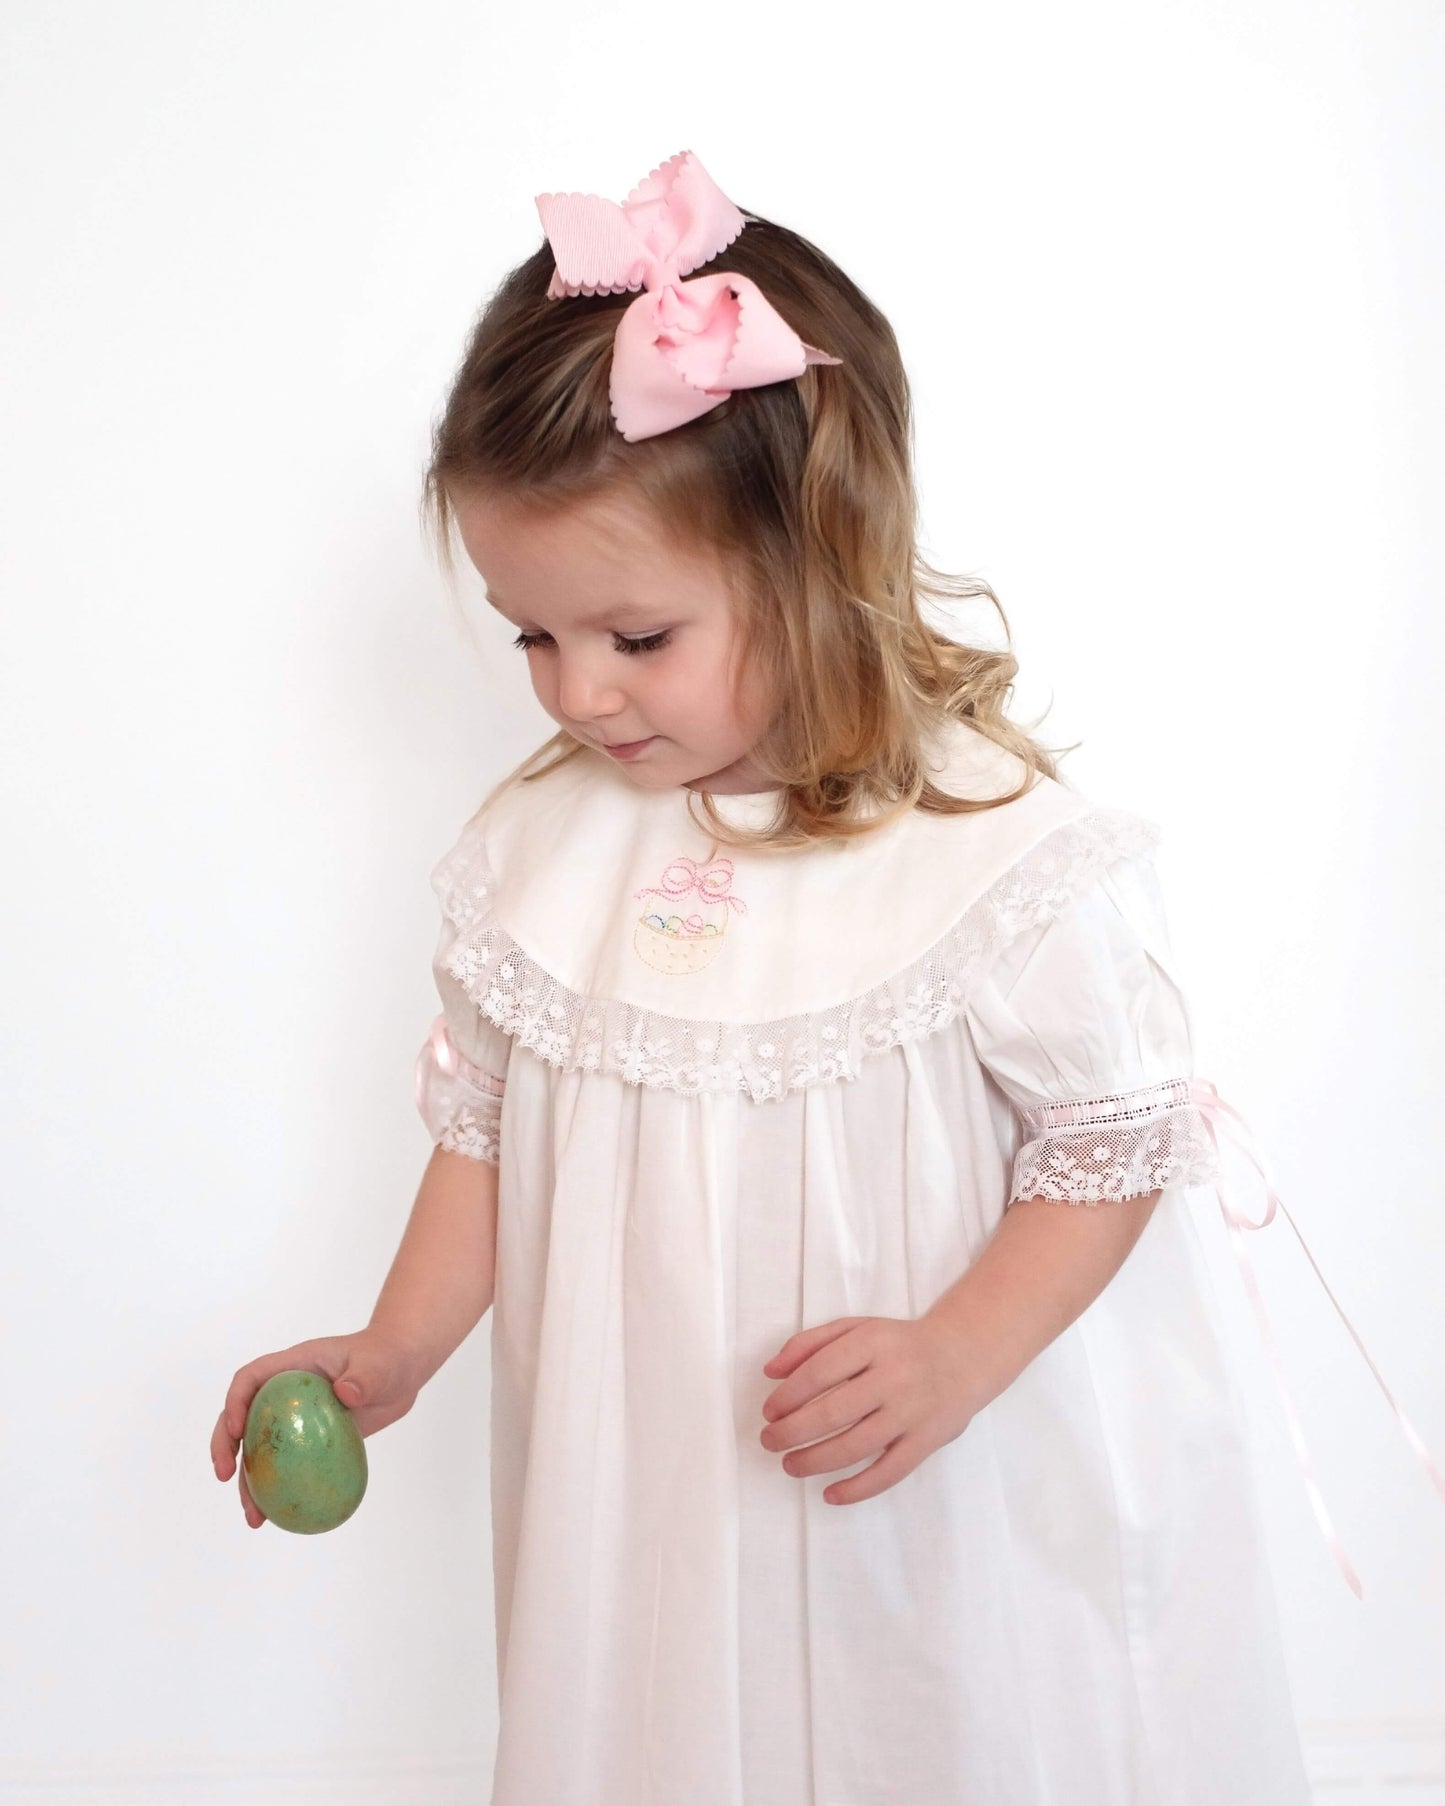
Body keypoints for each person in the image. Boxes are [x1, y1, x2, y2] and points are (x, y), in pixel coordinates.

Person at [210, 149, 1440, 1805]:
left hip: (906, 1459)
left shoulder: (981, 846)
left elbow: (1113, 1138)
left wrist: (956, 1350)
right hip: (650, 1479)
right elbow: (491, 1132)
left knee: (912, 1724)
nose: (573, 691)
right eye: (529, 633)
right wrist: (398, 1342)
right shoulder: (549, 856)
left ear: (816, 558)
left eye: (633, 636)